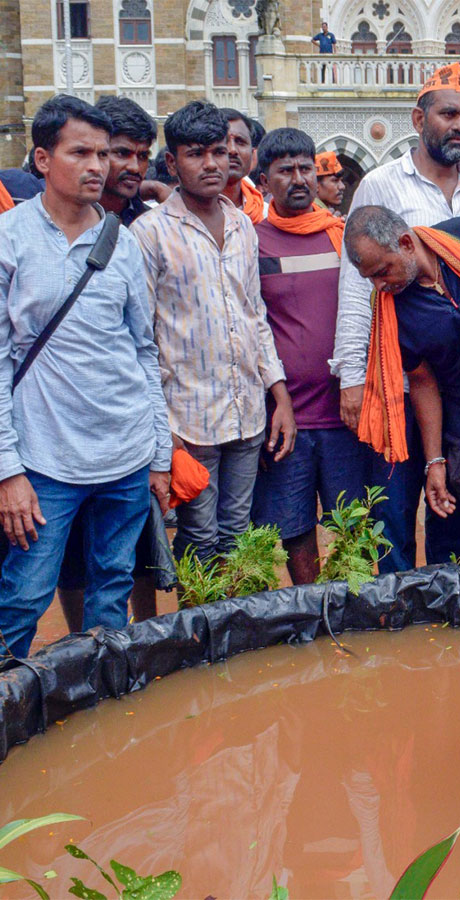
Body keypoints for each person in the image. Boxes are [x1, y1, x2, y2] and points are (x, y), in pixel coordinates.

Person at [0, 95, 171, 658]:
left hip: (125, 457)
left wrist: (159, 454)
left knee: (111, 598)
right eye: (82, 152)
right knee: (23, 598)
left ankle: (100, 711)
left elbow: (144, 353)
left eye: (104, 153)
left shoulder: (123, 243)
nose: (99, 166)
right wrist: (8, 472)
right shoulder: (10, 240)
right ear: (44, 159)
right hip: (45, 464)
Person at [334, 62, 460, 571]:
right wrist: (353, 380)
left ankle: (451, 618)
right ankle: (398, 618)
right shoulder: (381, 185)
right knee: (395, 515)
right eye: (448, 114)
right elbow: (359, 288)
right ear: (418, 118)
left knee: (455, 516)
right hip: (402, 382)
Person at [132, 100, 296, 562]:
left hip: (247, 412)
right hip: (188, 420)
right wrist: (162, 428)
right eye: (195, 153)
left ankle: (235, 634)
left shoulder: (245, 225)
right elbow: (140, 338)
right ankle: (200, 633)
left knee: (237, 536)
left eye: (219, 153)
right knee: (200, 540)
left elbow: (254, 315)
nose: (210, 164)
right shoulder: (150, 233)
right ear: (172, 162)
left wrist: (279, 395)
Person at [56, 93, 164, 630]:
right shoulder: (45, 223)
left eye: (141, 156)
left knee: (137, 548)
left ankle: (135, 641)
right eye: (119, 152)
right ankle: (79, 646)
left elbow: (145, 340)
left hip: (130, 426)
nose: (129, 167)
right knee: (65, 554)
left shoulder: (147, 220)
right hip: (58, 434)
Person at [250, 128, 369, 584]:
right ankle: (311, 619)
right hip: (287, 421)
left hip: (346, 417)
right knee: (295, 531)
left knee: (353, 527)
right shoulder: (252, 242)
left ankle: (353, 616)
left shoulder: (343, 238)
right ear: (264, 181)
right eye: (286, 171)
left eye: (305, 169)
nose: (298, 179)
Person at [344, 205, 460, 545]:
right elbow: (422, 380)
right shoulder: (394, 309)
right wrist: (434, 461)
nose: (380, 285)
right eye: (370, 278)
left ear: (405, 243)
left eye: (383, 271)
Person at [93, 95, 155, 227]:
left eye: (143, 156)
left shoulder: (152, 225)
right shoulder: (65, 220)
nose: (135, 168)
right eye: (122, 153)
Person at [220, 107, 265, 224]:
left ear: (252, 152)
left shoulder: (266, 215)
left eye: (240, 141)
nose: (232, 150)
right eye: (224, 141)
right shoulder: (185, 215)